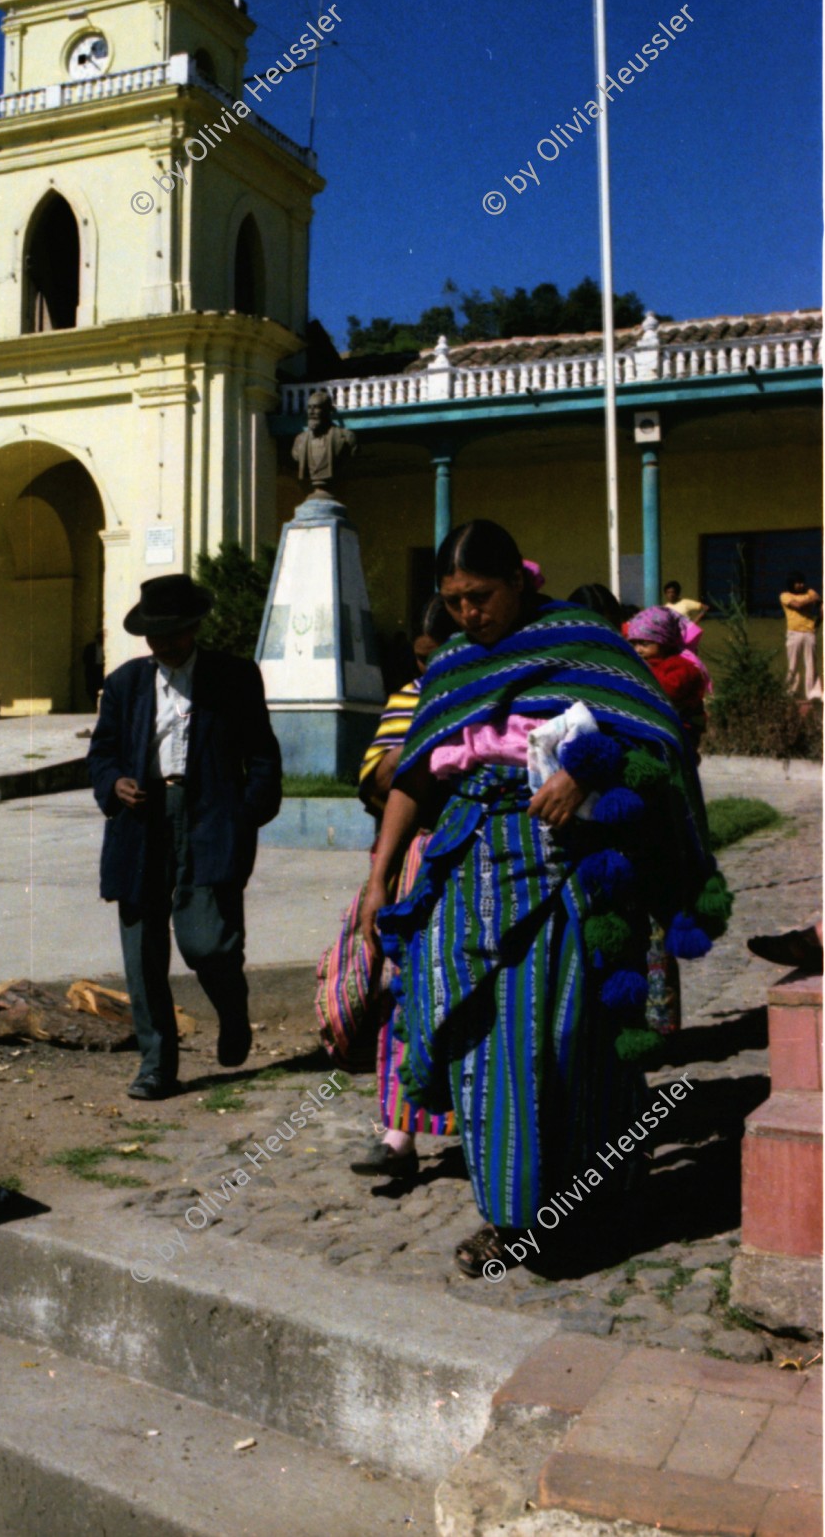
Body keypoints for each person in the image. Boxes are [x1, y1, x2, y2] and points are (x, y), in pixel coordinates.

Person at [360, 520, 723, 1277]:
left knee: (562, 1038)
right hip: (469, 865)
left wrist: (585, 771)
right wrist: (380, 873)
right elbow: (418, 772)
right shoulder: (453, 665)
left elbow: (651, 735)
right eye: (453, 600)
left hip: (566, 866)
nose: (468, 614)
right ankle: (510, 1216)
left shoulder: (582, 641)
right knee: (476, 1042)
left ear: (519, 581)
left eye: (480, 596)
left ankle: (592, 1197)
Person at [87, 574, 282, 1100]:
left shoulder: (235, 678)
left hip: (210, 817)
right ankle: (157, 1065)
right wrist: (114, 783)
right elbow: (102, 753)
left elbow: (262, 753)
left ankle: (232, 1008)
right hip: (141, 821)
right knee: (143, 949)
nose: (166, 645)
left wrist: (246, 816)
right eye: (156, 636)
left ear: (195, 627)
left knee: (208, 941)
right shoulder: (126, 684)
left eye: (175, 633)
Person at [348, 599, 458, 1179]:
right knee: (404, 989)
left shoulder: (502, 690)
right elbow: (382, 778)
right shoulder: (411, 699)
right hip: (420, 860)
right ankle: (398, 1132)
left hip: (491, 858)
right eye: (422, 660)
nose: (428, 669)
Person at [623, 606, 709, 744]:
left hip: (681, 731)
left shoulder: (681, 665)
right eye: (633, 644)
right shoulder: (649, 664)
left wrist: (644, 671)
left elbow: (669, 690)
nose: (637, 650)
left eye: (644, 644)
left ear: (663, 642)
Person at [291, 389, 356, 491]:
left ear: (328, 410)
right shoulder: (299, 441)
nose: (311, 412)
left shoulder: (346, 438)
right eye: (309, 408)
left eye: (316, 407)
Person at [780, 572, 821, 700]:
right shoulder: (785, 595)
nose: (801, 585)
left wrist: (817, 623)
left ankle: (812, 694)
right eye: (798, 583)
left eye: (802, 582)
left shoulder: (809, 592)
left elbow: (820, 603)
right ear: (792, 584)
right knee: (793, 665)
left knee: (811, 664)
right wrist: (810, 600)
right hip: (794, 633)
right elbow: (797, 605)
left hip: (809, 632)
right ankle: (790, 693)